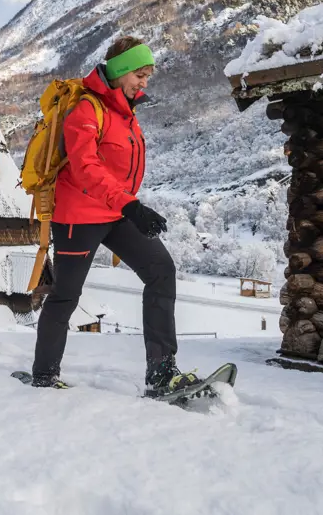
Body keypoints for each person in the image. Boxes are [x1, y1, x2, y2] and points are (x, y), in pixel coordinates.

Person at [31, 36, 199, 396]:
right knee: (66, 295)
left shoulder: (126, 113)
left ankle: (161, 373)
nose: (144, 82)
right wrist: (130, 205)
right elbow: (85, 166)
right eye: (140, 74)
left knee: (161, 271)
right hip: (78, 215)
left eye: (148, 76)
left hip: (115, 210)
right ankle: (43, 375)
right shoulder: (87, 111)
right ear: (121, 71)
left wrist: (126, 204)